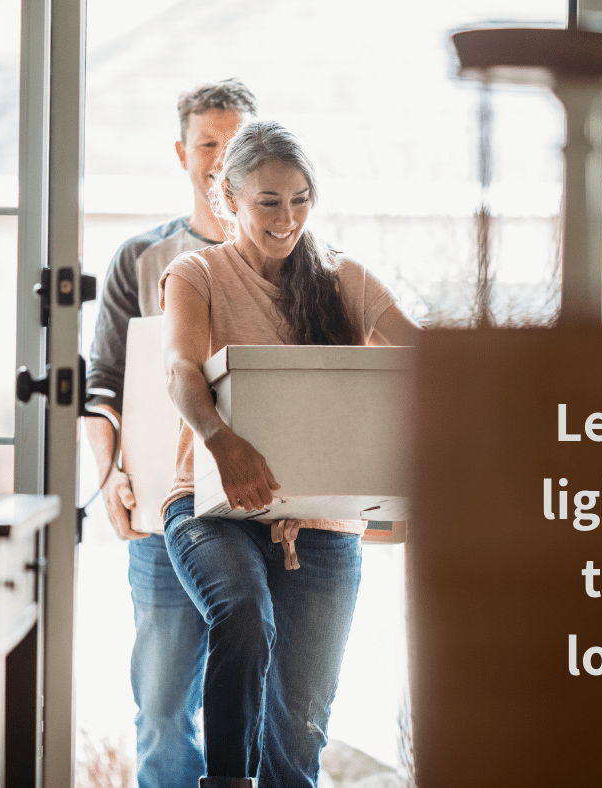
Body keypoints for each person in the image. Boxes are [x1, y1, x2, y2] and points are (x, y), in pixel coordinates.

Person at [159, 120, 420, 788]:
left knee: (298, 732)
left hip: (325, 525)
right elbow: (180, 371)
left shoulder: (344, 279)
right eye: (269, 201)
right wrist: (225, 443)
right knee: (243, 612)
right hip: (211, 507)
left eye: (300, 198)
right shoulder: (197, 273)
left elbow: (426, 362)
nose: (287, 217)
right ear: (230, 199)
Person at [86, 79, 257, 788]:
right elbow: (102, 384)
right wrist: (110, 479)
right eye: (207, 142)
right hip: (162, 517)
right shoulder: (139, 259)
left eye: (234, 142)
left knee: (258, 705)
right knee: (161, 708)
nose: (219, 158)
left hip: (259, 515)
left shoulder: (288, 259)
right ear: (181, 151)